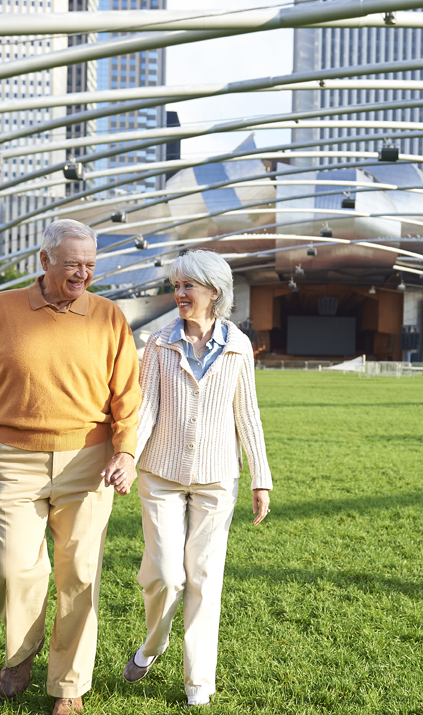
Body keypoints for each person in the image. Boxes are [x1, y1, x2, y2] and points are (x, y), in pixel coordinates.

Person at [0, 219, 141, 715]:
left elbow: (127, 395)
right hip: (11, 460)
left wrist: (125, 451)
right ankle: (22, 651)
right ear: (44, 262)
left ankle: (69, 687)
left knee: (79, 573)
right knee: (15, 568)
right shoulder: (2, 308)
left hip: (89, 462)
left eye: (89, 264)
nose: (83, 273)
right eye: (72, 264)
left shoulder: (108, 317)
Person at [123, 250, 272, 708]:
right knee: (165, 577)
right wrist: (128, 455)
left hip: (216, 478)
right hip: (160, 474)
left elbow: (246, 411)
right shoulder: (158, 342)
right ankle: (153, 645)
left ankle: (198, 684)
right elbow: (146, 408)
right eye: (176, 285)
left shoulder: (238, 345)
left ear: (215, 291)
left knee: (205, 580)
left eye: (189, 285)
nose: (180, 293)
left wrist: (260, 477)